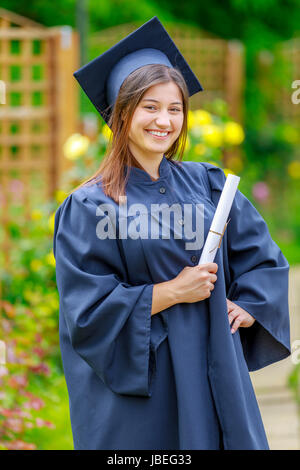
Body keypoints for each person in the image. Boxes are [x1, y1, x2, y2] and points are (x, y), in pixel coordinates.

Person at [53, 17, 291, 450]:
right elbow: (85, 312)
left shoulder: (208, 184)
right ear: (121, 113)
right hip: (149, 381)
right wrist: (173, 292)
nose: (164, 120)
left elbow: (263, 256)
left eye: (174, 108)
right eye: (150, 107)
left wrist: (253, 304)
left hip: (215, 364)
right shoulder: (90, 207)